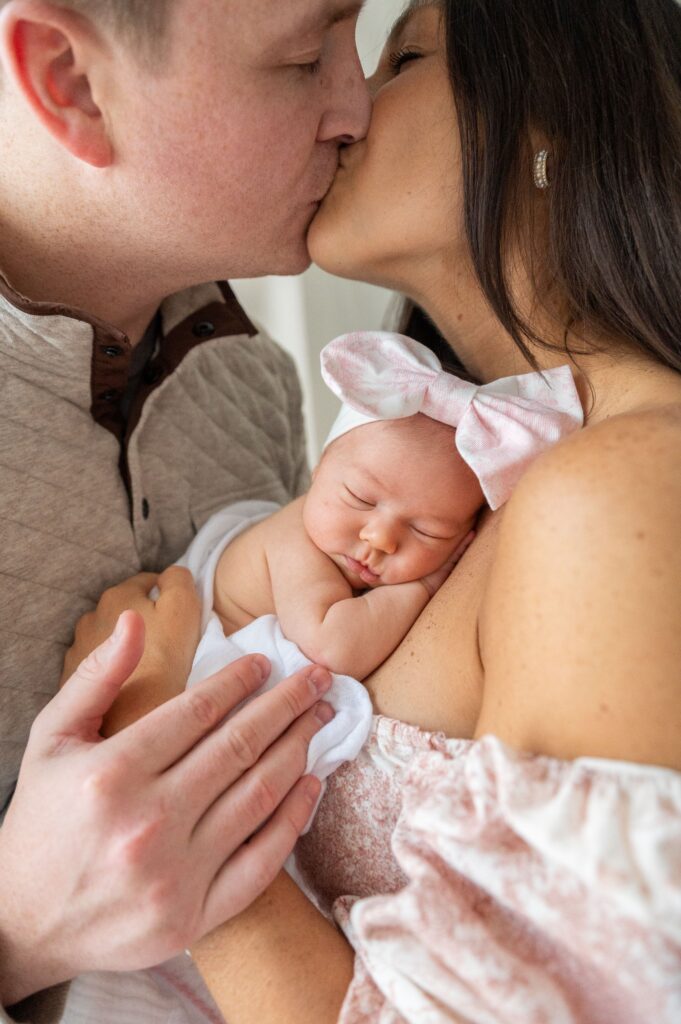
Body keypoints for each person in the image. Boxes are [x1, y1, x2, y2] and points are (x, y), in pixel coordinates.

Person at [76, 0, 680, 1021]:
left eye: (399, 59)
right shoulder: (466, 477)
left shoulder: (620, 493)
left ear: (553, 121)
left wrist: (157, 756)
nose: (346, 106)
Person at [0, 0, 373, 1019]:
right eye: (304, 59)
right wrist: (16, 933)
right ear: (71, 81)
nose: (358, 108)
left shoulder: (253, 380)